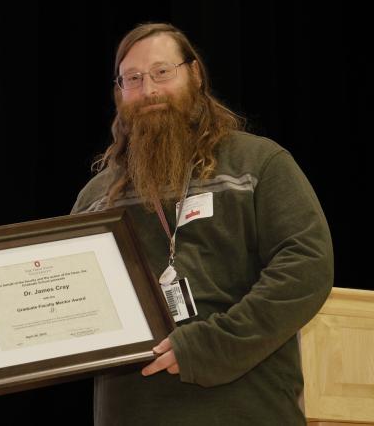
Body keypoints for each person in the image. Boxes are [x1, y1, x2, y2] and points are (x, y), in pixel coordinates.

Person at [71, 23, 333, 425]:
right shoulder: (94, 197)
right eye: (133, 79)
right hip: (130, 412)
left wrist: (210, 346)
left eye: (163, 72)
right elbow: (72, 298)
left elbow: (307, 267)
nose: (149, 90)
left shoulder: (259, 164)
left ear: (194, 74)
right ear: (119, 92)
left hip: (245, 409)